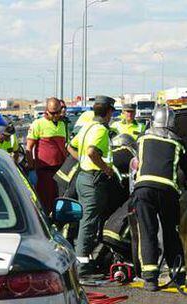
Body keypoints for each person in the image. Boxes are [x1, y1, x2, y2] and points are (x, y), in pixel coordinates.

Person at [129, 105, 187, 291]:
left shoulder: (142, 138)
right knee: (171, 233)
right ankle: (178, 276)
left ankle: (150, 279)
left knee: (147, 232)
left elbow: (138, 161)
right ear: (172, 123)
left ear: (153, 119)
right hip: (168, 192)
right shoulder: (178, 143)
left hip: (143, 190)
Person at [67, 95, 115, 277]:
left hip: (83, 177)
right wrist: (106, 169)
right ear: (109, 111)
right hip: (93, 180)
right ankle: (83, 268)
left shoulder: (87, 126)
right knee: (88, 223)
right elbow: (92, 151)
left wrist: (82, 161)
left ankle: (83, 262)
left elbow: (70, 146)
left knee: (85, 222)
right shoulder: (101, 130)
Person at [26, 97, 67, 214]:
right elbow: (29, 148)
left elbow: (63, 146)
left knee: (58, 199)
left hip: (60, 170)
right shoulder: (38, 124)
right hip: (44, 171)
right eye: (53, 113)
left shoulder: (62, 125)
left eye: (58, 112)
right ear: (46, 111)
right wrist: (32, 166)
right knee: (44, 200)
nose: (56, 115)